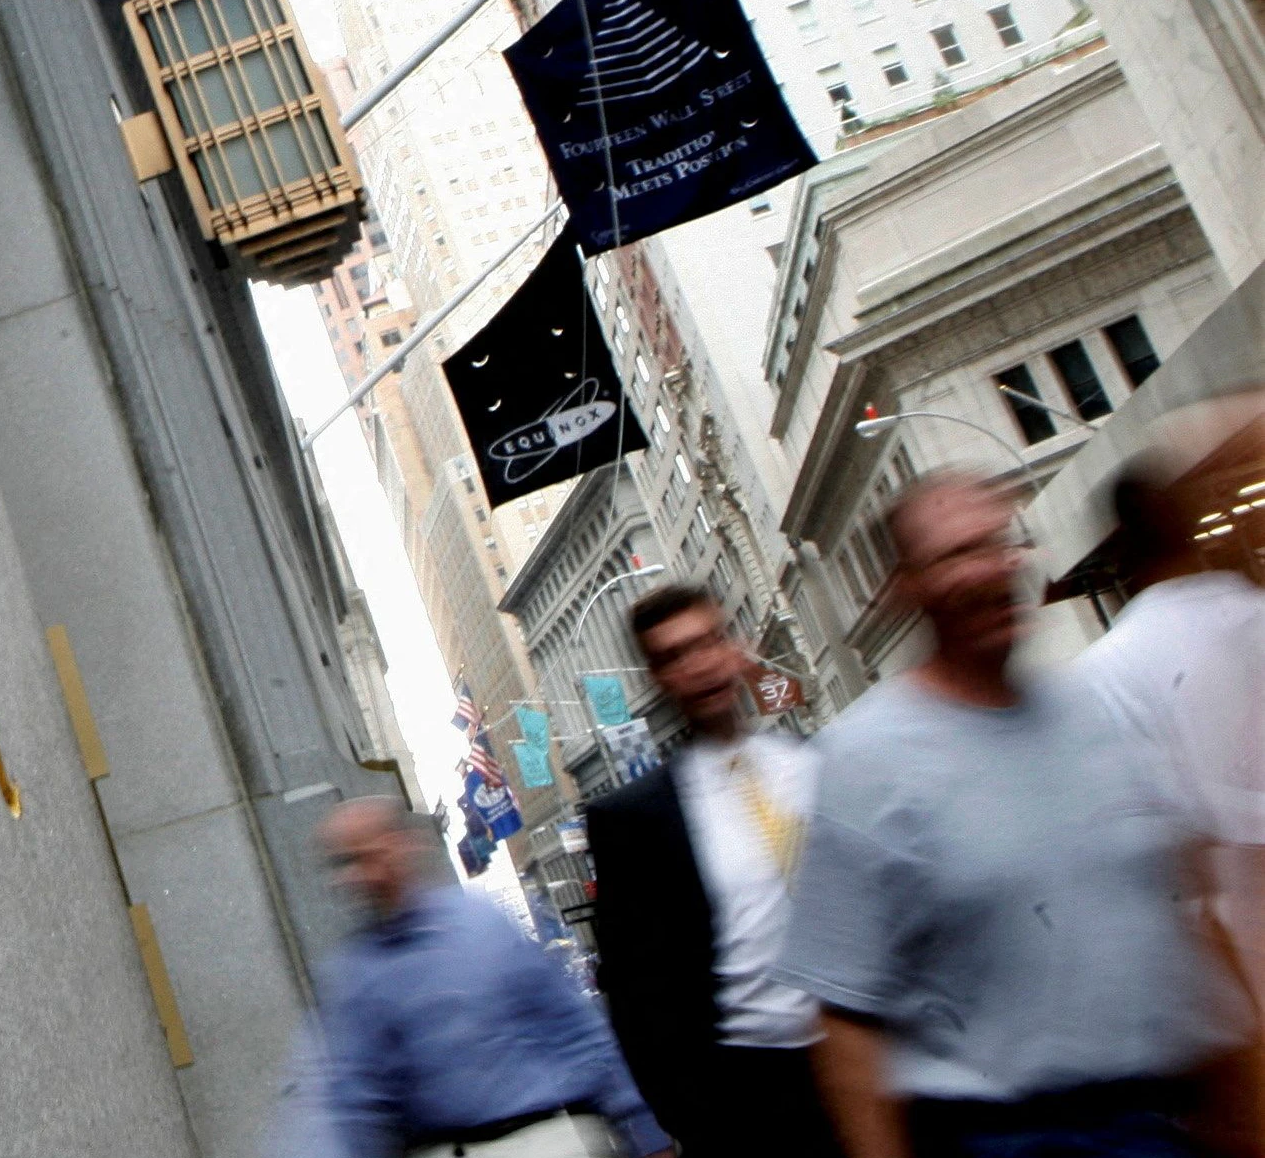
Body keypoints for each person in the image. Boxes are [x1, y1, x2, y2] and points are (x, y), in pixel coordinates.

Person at [776, 470, 1248, 1158]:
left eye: (998, 543)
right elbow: (846, 1020)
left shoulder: (1100, 709)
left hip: (1172, 1120)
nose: (988, 570)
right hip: (1010, 1137)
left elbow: (1194, 915)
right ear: (906, 585)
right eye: (954, 555)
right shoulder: (861, 760)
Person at [587, 584, 841, 1158]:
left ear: (735, 648)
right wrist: (696, 1119)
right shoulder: (633, 822)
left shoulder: (818, 766)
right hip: (750, 1099)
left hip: (866, 1058)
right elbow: (634, 993)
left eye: (708, 643)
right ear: (656, 678)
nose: (699, 666)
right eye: (674, 656)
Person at [1072, 401, 1265, 1154]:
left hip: (1230, 989)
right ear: (1187, 527)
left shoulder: (1103, 671)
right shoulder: (1255, 612)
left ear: (1119, 552)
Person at [311, 795, 672, 1158]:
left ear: (404, 845)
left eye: (371, 852)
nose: (360, 874)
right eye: (346, 861)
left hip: (550, 1140)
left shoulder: (483, 925)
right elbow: (354, 1102)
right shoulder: (357, 973)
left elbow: (576, 1031)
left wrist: (644, 1130)